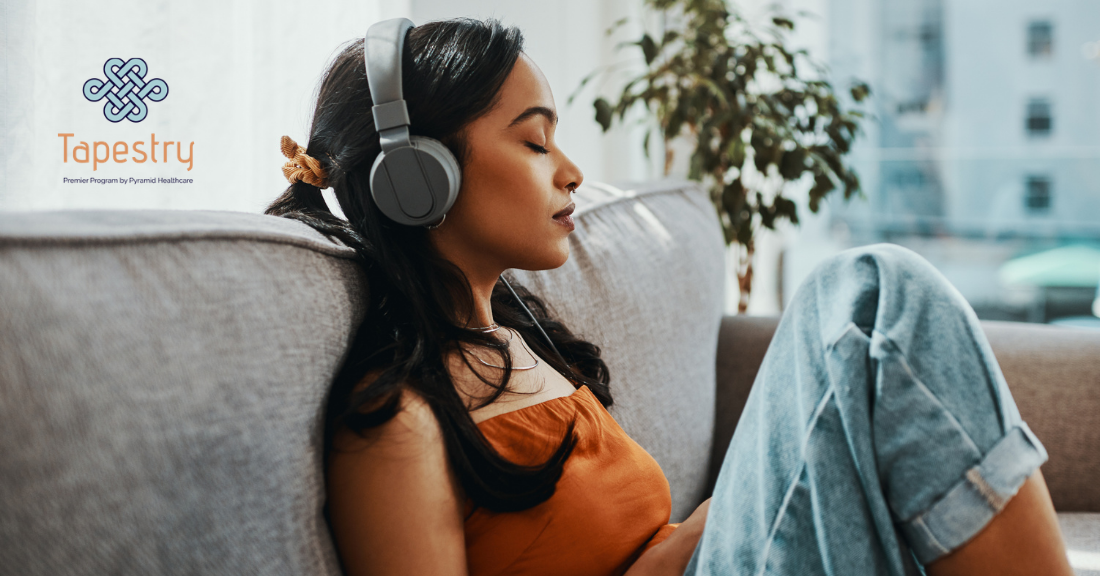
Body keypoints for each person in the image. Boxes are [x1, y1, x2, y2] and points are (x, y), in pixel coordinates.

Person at [265, 16, 1074, 576]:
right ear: (418, 179)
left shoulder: (524, 342)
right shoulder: (395, 424)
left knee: (871, 313)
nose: (571, 171)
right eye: (535, 141)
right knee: (868, 299)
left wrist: (726, 514)